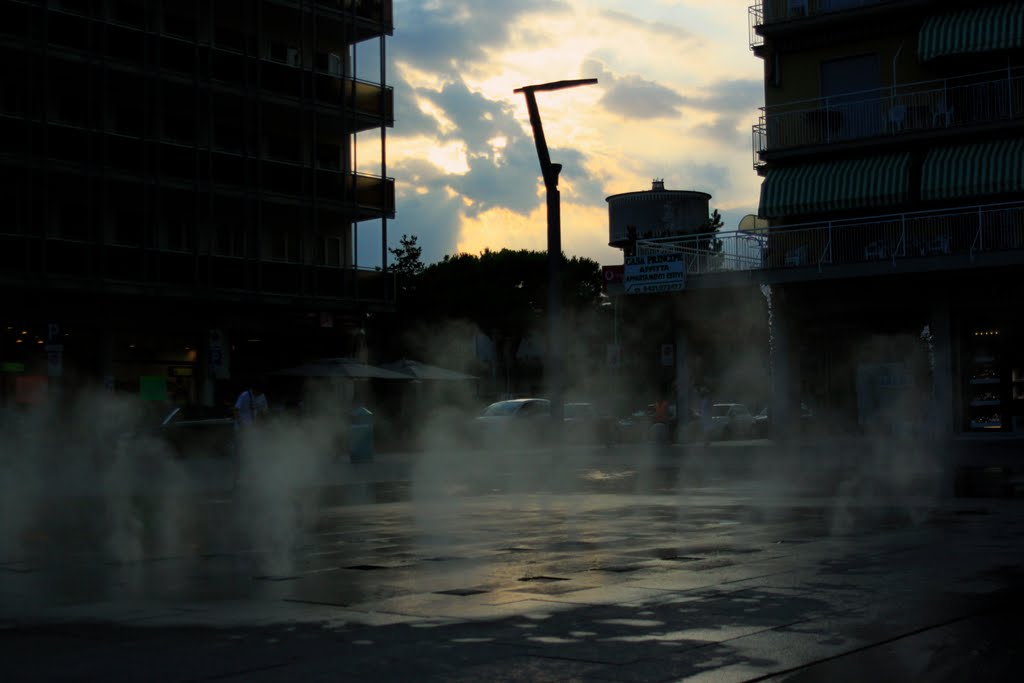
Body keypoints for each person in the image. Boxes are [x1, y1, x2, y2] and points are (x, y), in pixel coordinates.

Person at [232, 380, 269, 489]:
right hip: (241, 430)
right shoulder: (245, 395)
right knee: (240, 455)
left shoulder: (262, 396)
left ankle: (252, 479)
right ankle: (238, 479)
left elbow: (265, 412)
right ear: (254, 389)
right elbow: (235, 410)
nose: (260, 393)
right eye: (258, 391)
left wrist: (263, 421)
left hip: (253, 430)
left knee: (253, 455)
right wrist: (241, 423)